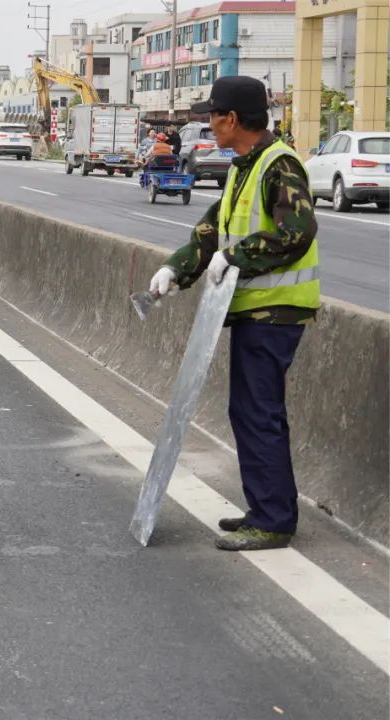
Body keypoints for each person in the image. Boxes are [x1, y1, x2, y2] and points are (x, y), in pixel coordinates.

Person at [147, 76, 319, 551]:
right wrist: (175, 271)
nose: (207, 123)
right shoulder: (246, 166)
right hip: (255, 311)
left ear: (232, 120)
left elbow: (298, 231)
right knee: (249, 410)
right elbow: (209, 233)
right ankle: (266, 508)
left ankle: (273, 520)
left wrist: (238, 256)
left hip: (275, 311)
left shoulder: (278, 165)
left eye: (212, 115)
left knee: (258, 412)